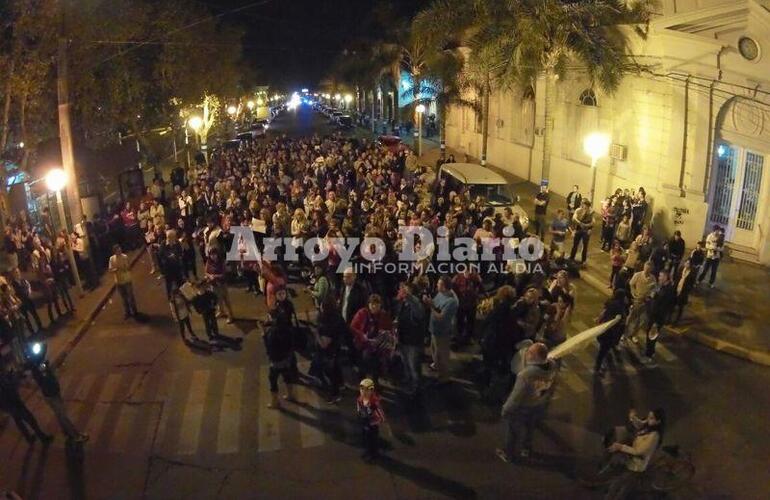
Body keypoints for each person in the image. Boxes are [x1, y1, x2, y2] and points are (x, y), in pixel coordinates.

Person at [496, 342, 557, 462]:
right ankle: (526, 449)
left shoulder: (526, 375)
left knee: (513, 430)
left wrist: (506, 409)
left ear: (533, 356)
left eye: (529, 351)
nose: (526, 353)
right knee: (530, 428)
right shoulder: (552, 366)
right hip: (538, 403)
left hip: (523, 406)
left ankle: (508, 453)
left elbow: (516, 396)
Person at [605, 408, 666, 499]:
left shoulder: (654, 436)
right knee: (618, 483)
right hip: (631, 458)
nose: (648, 419)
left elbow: (638, 451)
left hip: (636, 466)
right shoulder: (649, 425)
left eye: (652, 418)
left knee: (622, 486)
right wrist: (633, 417)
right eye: (649, 416)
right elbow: (641, 424)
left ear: (658, 421)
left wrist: (620, 447)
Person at [28, 360, 89, 444]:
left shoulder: (39, 366)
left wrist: (46, 366)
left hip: (52, 393)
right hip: (52, 395)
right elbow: (44, 380)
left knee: (60, 415)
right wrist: (45, 369)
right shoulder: (37, 371)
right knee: (63, 416)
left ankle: (66, 432)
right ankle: (75, 436)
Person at [263, 288, 299, 408]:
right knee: (287, 376)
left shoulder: (272, 333)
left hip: (276, 361)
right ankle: (291, 395)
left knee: (272, 380)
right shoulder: (287, 330)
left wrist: (263, 334)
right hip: (286, 359)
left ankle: (275, 402)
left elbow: (268, 347)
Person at [0, 369, 53, 445]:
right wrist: (14, 379)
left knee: (19, 422)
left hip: (8, 406)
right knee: (31, 420)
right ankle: (43, 438)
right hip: (14, 403)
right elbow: (10, 388)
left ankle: (29, 439)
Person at [350, 294, 393, 384]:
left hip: (378, 346)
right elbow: (353, 326)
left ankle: (375, 382)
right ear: (368, 304)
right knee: (363, 362)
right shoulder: (362, 313)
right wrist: (362, 335)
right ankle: (363, 381)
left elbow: (389, 330)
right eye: (372, 304)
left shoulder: (384, 315)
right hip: (364, 344)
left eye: (377, 305)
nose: (374, 307)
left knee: (376, 365)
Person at [423, 276, 458, 384]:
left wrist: (430, 306)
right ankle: (436, 365)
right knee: (434, 351)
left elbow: (441, 317)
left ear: (444, 286)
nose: (436, 285)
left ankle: (444, 378)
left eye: (439, 284)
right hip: (434, 329)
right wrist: (430, 301)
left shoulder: (451, 301)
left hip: (443, 332)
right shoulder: (441, 293)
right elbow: (435, 304)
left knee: (442, 355)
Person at [395, 281, 427, 397]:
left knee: (414, 365)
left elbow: (419, 314)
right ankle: (408, 380)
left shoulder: (416, 303)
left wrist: (408, 296)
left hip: (413, 341)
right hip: (403, 339)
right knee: (406, 363)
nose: (402, 291)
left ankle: (416, 387)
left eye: (405, 289)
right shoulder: (403, 303)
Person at [315, 296, 346, 403]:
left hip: (330, 351)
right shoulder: (337, 316)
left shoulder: (329, 321)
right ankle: (341, 384)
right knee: (337, 368)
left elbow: (324, 344)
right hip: (336, 349)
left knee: (331, 372)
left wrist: (316, 335)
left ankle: (335, 394)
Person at [642, 271, 676, 364]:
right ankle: (649, 352)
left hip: (657, 318)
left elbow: (664, 306)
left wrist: (656, 321)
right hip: (653, 316)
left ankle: (649, 355)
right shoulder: (661, 286)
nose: (659, 277)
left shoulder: (669, 290)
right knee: (649, 335)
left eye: (661, 276)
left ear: (666, 277)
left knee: (651, 337)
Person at [594, 289, 627, 377]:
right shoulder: (620, 306)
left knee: (602, 348)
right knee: (603, 351)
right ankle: (598, 368)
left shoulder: (610, 301)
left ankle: (601, 364)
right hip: (609, 332)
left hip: (603, 328)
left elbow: (604, 311)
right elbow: (619, 319)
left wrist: (598, 320)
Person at [624, 262, 655, 343]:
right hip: (637, 301)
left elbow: (654, 289)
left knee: (641, 320)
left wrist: (650, 296)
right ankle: (624, 334)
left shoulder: (653, 278)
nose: (646, 270)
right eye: (645, 268)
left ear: (651, 269)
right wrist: (633, 293)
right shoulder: (637, 275)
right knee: (630, 318)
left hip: (645, 302)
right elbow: (631, 284)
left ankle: (634, 334)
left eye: (648, 269)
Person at [356, 378, 385, 462]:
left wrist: (372, 423)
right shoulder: (360, 399)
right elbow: (360, 409)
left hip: (372, 425)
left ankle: (373, 454)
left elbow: (381, 417)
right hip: (365, 422)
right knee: (366, 439)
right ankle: (368, 452)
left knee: (373, 440)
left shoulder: (374, 402)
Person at [452, 267, 482, 346]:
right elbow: (453, 289)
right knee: (460, 321)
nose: (470, 274)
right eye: (468, 271)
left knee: (471, 321)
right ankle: (459, 336)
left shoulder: (475, 278)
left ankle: (469, 337)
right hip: (461, 304)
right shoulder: (457, 278)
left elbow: (480, 287)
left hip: (471, 303)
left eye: (472, 272)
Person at [109, 244, 138, 319]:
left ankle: (134, 311)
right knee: (123, 298)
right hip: (118, 281)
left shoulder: (124, 257)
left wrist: (124, 267)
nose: (119, 251)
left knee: (130, 296)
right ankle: (127, 312)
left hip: (127, 279)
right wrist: (115, 270)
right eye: (118, 251)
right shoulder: (112, 259)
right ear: (114, 252)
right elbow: (110, 269)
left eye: (120, 250)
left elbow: (128, 267)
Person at [9, 268, 43, 333]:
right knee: (26, 317)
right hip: (22, 302)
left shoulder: (23, 280)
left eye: (18, 272)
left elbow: (28, 286)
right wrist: (18, 301)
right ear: (13, 274)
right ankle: (32, 332)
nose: (17, 274)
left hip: (28, 300)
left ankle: (40, 327)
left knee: (34, 314)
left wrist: (29, 292)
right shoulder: (13, 284)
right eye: (15, 272)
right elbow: (13, 294)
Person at [569, 200, 594, 265]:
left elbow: (592, 222)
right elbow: (574, 218)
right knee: (575, 244)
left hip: (586, 231)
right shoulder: (578, 210)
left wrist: (588, 227)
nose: (585, 208)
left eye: (587, 207)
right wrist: (580, 223)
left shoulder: (590, 213)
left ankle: (583, 260)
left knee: (585, 246)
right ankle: (571, 258)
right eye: (584, 206)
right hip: (578, 229)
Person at [672, 258, 696, 323]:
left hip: (684, 291)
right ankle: (670, 317)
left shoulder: (692, 272)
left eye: (688, 263)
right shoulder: (681, 269)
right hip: (677, 288)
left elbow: (692, 283)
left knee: (680, 306)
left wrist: (687, 290)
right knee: (673, 303)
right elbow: (676, 278)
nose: (686, 264)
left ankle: (677, 319)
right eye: (686, 263)